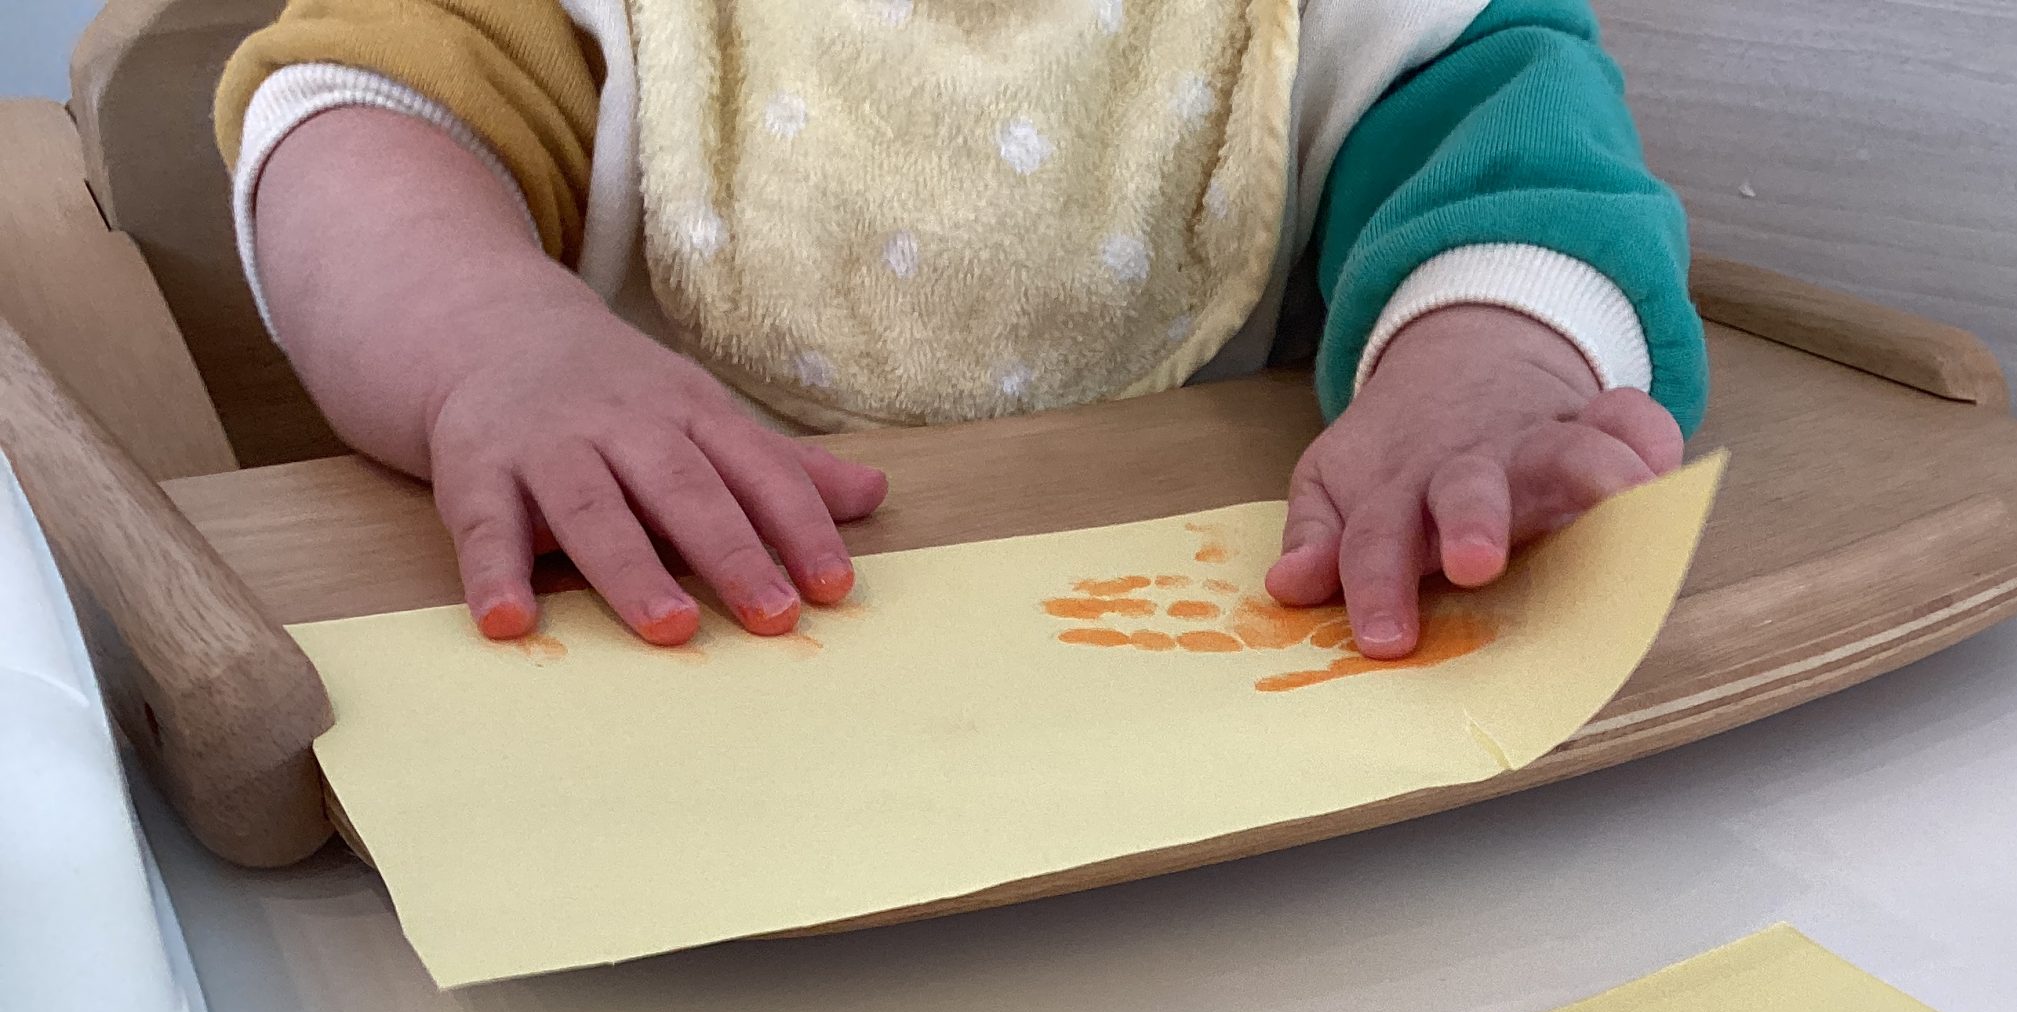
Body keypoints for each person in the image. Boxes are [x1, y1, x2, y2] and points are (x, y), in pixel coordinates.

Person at [216, 0, 1705, 658]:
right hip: (667, 646)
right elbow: (357, 119)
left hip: (1193, 679)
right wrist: (488, 337)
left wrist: (1488, 368)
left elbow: (1514, 140)